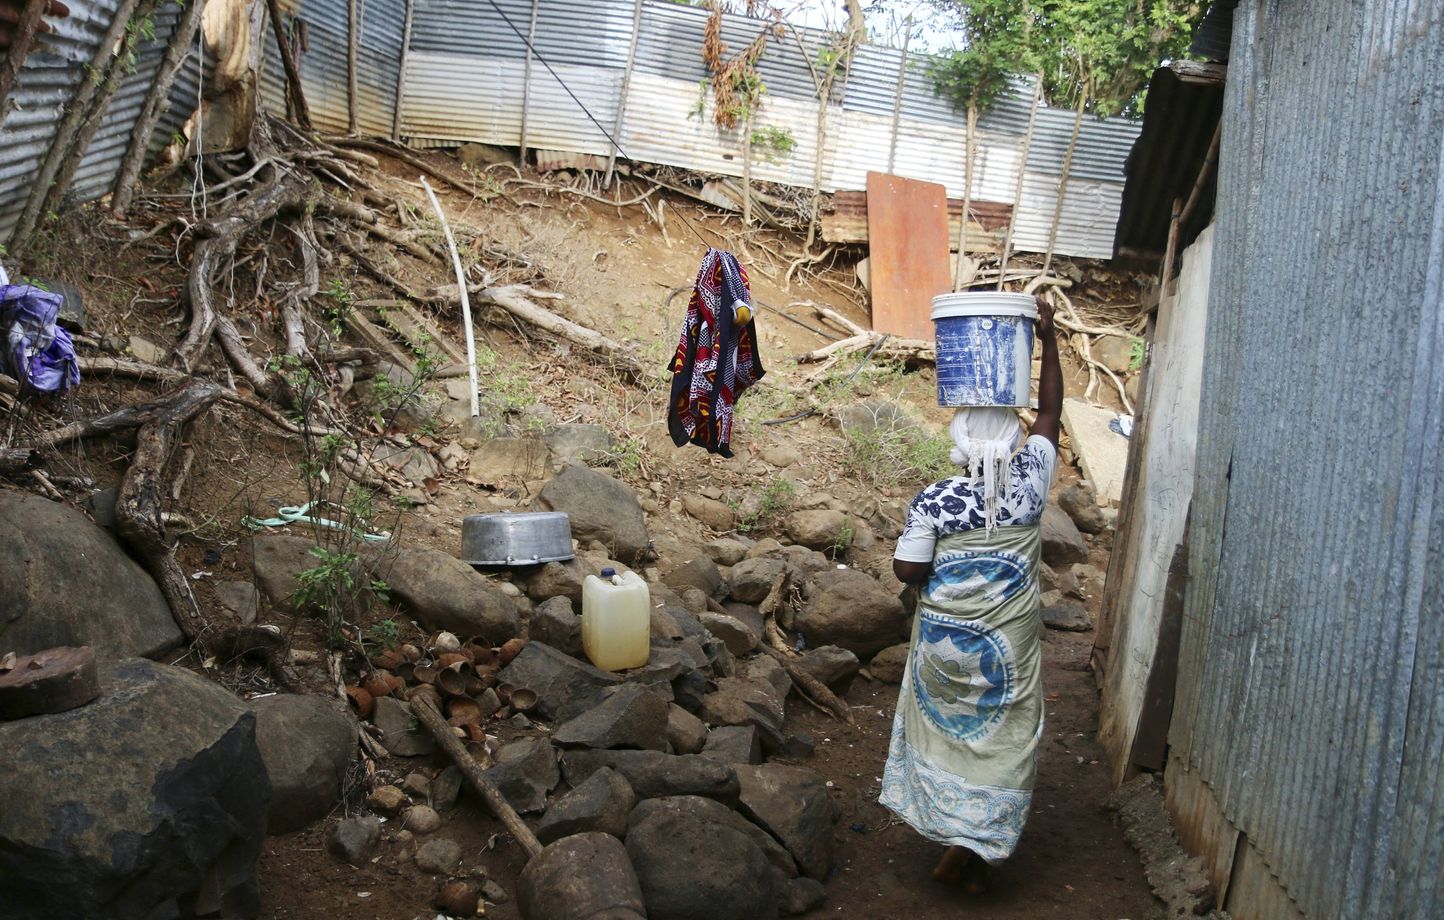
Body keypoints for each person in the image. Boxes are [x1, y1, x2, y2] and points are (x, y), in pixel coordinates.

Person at [880, 294, 1062, 894]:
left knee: (951, 735)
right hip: (1008, 651)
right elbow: (1050, 416)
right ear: (1015, 439)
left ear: (957, 441)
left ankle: (955, 834)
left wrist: (919, 544)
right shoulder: (1031, 485)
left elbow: (908, 572)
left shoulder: (937, 498)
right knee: (1004, 740)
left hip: (946, 650)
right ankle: (979, 848)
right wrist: (1049, 340)